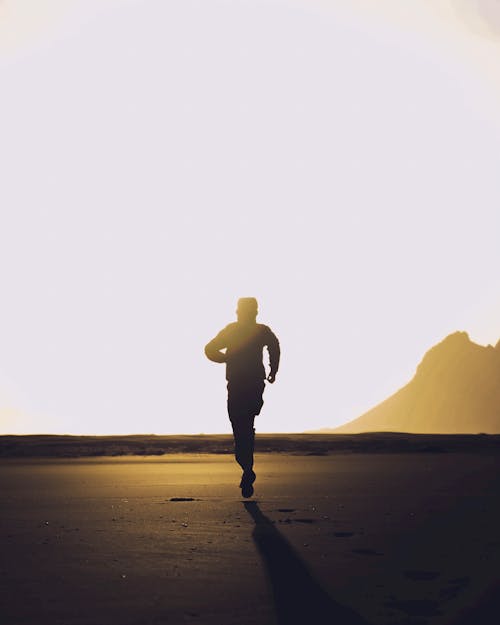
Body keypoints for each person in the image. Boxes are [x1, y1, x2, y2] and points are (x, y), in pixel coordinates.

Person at [205, 297, 280, 498]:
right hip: (248, 385)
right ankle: (247, 468)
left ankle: (247, 468)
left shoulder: (251, 330)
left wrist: (224, 358)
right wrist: (273, 370)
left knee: (242, 427)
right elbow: (210, 349)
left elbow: (209, 349)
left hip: (244, 385)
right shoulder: (257, 330)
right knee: (244, 426)